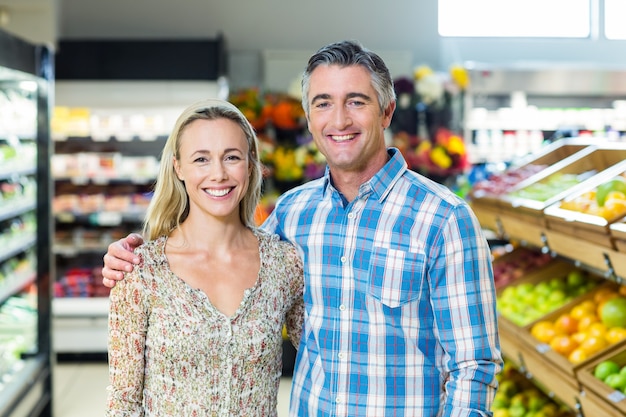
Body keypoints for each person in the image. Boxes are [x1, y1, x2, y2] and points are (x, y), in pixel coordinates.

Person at [103, 41, 502, 417]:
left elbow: (474, 366)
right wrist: (133, 252)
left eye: (356, 102)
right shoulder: (292, 216)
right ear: (309, 119)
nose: (340, 119)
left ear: (386, 112)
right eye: (323, 103)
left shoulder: (444, 219)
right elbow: (222, 244)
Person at [105, 98, 304, 416]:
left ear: (250, 165)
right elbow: (123, 403)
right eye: (201, 159)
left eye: (232, 157)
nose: (219, 173)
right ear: (178, 167)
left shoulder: (284, 264)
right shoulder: (141, 272)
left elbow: (326, 354)